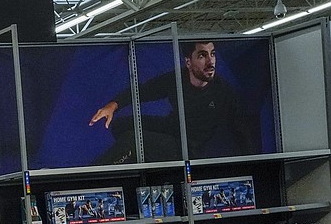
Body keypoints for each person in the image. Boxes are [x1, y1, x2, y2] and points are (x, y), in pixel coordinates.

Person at [90, 40, 254, 162]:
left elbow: (241, 130)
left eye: (212, 54)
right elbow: (144, 91)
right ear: (188, 62)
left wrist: (250, 162)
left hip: (188, 148)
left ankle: (91, 177)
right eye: (203, 55)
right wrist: (113, 105)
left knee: (132, 140)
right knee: (122, 125)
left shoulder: (223, 91)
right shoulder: (177, 79)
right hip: (171, 129)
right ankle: (137, 161)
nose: (210, 62)